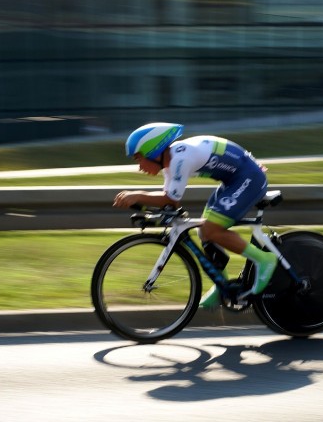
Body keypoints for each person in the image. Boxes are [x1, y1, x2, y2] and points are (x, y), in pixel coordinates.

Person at [113, 122, 277, 309]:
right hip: (233, 180)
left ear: (153, 151)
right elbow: (171, 203)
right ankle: (222, 285)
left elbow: (170, 199)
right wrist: (141, 202)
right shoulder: (170, 163)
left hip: (249, 178)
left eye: (138, 158)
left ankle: (264, 260)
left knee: (211, 229)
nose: (139, 166)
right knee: (204, 232)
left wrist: (138, 195)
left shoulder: (180, 159)